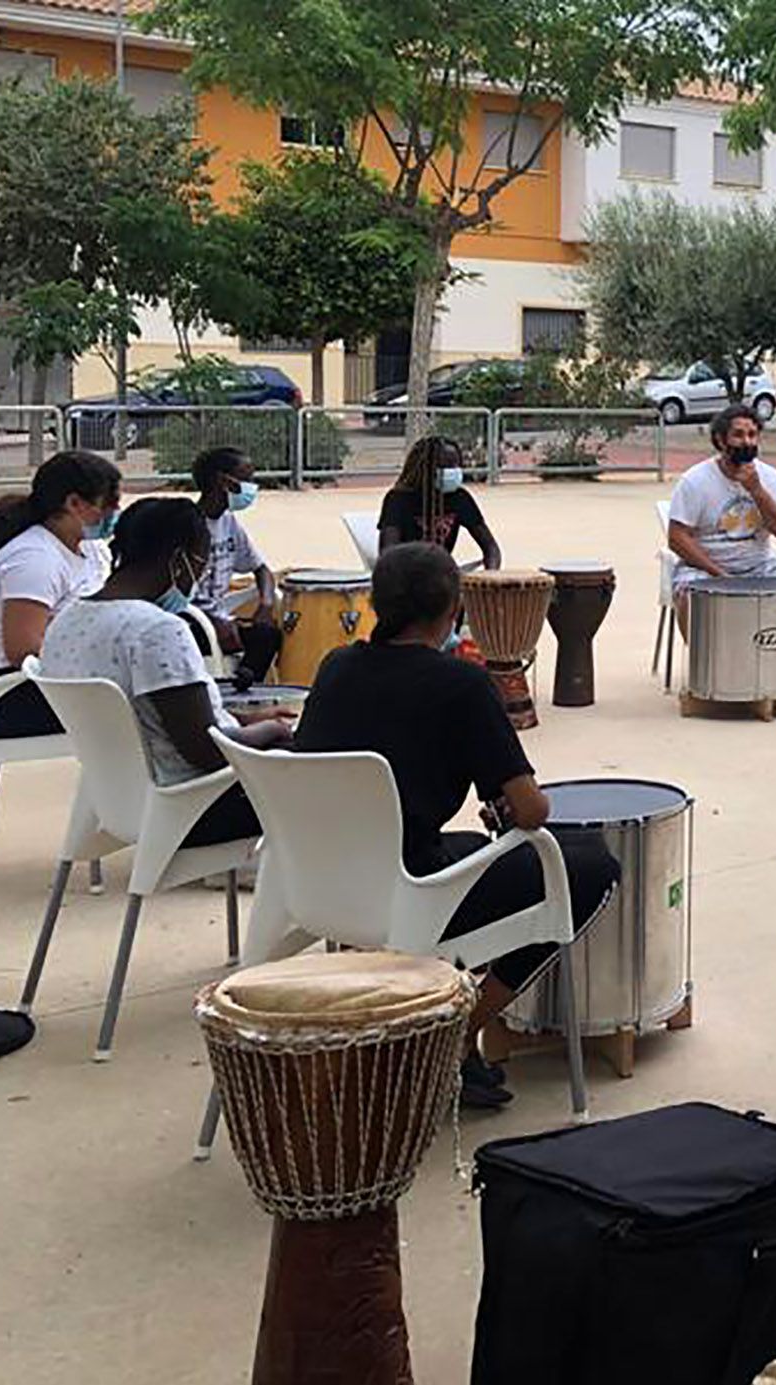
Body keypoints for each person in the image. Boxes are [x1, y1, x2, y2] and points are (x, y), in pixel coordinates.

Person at [296, 543, 618, 1108]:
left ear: (376, 603)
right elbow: (532, 810)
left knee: (468, 845)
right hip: (410, 891)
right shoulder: (461, 684)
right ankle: (454, 1029)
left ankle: (426, 1013)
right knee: (588, 865)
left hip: (323, 883)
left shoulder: (336, 666)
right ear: (453, 609)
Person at [36, 498, 292, 847]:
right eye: (199, 564)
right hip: (194, 808)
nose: (197, 578)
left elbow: (153, 716)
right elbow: (206, 752)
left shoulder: (65, 622)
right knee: (330, 768)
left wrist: (244, 720)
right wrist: (268, 730)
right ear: (178, 560)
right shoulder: (157, 630)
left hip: (122, 800)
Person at [0, 450, 122, 740]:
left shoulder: (91, 549)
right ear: (74, 503)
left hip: (44, 680)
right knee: (139, 710)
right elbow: (22, 650)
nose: (115, 512)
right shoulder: (34, 559)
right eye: (109, 503)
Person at [668, 404, 776, 600]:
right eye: (738, 435)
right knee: (691, 595)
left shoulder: (771, 478)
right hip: (705, 568)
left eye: (752, 435)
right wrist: (720, 575)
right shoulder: (694, 481)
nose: (746, 442)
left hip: (759, 566)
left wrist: (757, 490)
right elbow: (677, 538)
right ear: (720, 440)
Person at [189, 447, 281, 689]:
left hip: (219, 617)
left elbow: (261, 569)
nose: (252, 487)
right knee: (256, 638)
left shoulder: (228, 522)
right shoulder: (187, 524)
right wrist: (215, 622)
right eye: (247, 479)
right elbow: (174, 593)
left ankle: (242, 686)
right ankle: (233, 689)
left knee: (267, 634)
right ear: (224, 482)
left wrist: (266, 604)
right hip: (189, 620)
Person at [378, 434, 502, 569]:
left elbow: (491, 548)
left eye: (456, 465)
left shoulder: (460, 498)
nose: (454, 471)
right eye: (447, 466)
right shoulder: (398, 499)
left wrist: (491, 576)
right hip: (406, 574)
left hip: (441, 574)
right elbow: (388, 554)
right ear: (426, 468)